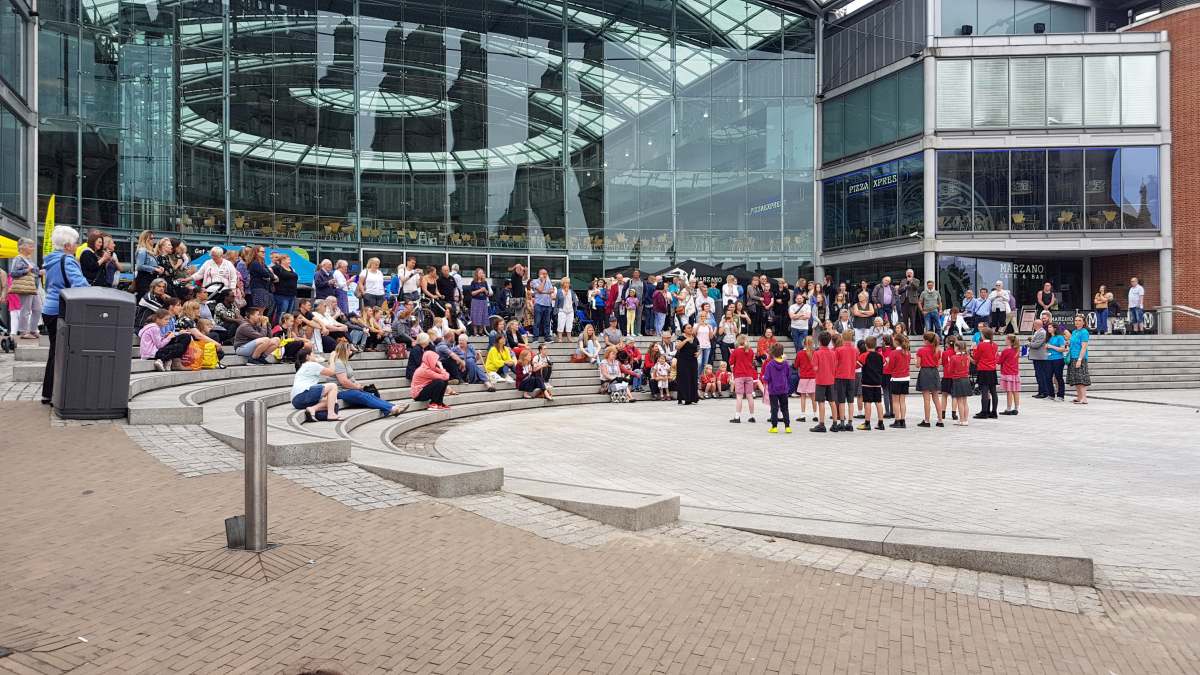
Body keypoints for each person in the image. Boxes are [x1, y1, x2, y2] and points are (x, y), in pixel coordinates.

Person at [39, 226, 90, 405]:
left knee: (55, 352)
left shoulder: (51, 260)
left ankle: (48, 393)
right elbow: (80, 284)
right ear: (68, 245)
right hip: (62, 310)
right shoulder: (67, 260)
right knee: (61, 353)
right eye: (75, 242)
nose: (77, 245)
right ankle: (56, 394)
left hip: (49, 309)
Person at [323, 341, 403, 416]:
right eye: (349, 349)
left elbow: (350, 378)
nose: (351, 351)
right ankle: (392, 408)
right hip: (341, 391)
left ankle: (391, 407)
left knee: (369, 394)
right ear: (345, 351)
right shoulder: (339, 363)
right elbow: (343, 381)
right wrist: (356, 387)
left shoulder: (344, 362)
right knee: (364, 396)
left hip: (347, 389)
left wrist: (357, 384)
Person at [292, 348, 341, 422]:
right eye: (313, 354)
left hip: (296, 401)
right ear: (307, 357)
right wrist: (332, 357)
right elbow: (332, 372)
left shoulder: (304, 366)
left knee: (334, 404)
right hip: (302, 395)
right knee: (333, 386)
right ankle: (330, 414)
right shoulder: (311, 364)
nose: (315, 356)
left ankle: (313, 409)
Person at [7, 238, 41, 340]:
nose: (33, 248)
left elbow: (34, 272)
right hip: (25, 287)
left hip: (32, 287)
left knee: (38, 309)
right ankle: (23, 331)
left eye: (33, 246)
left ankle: (33, 330)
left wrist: (39, 272)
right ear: (22, 247)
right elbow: (13, 273)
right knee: (25, 309)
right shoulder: (18, 258)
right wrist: (27, 270)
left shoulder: (29, 259)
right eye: (30, 246)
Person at [761, 343, 791, 434]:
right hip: (784, 389)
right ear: (782, 352)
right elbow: (788, 375)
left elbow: (766, 378)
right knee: (785, 408)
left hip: (773, 390)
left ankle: (774, 427)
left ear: (772, 353)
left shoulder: (770, 364)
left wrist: (763, 378)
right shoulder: (786, 364)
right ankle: (787, 427)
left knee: (774, 408)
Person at [915, 331, 944, 428]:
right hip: (934, 372)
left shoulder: (921, 350)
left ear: (926, 340)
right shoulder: (938, 350)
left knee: (926, 399)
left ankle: (927, 420)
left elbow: (918, 365)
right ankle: (940, 420)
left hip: (925, 372)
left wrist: (917, 360)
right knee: (936, 398)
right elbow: (938, 363)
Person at [809, 332, 836, 433]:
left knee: (821, 402)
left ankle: (821, 424)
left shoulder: (817, 353)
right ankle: (834, 423)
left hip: (821, 380)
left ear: (819, 341)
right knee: (832, 401)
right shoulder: (833, 353)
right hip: (831, 379)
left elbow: (815, 367)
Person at [857, 336, 885, 431]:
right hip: (878, 382)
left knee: (867, 402)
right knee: (878, 402)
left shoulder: (864, 355)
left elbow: (857, 365)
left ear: (865, 345)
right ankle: (881, 422)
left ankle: (867, 423)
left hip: (867, 382)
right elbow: (885, 364)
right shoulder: (880, 355)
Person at [728, 334, 757, 423]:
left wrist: (731, 354)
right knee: (749, 396)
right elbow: (751, 361)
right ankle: (752, 416)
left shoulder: (736, 351)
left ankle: (737, 416)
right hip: (749, 374)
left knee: (739, 396)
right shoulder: (751, 351)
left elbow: (731, 362)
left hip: (739, 375)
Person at [833, 331, 857, 432]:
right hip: (851, 376)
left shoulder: (838, 350)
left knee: (841, 400)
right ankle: (850, 423)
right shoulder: (855, 350)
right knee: (851, 401)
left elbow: (835, 364)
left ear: (842, 338)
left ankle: (842, 422)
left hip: (840, 376)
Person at [973, 325, 999, 419]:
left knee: (984, 391)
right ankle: (994, 411)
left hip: (983, 369)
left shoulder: (981, 345)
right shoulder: (994, 345)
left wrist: (974, 351)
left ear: (983, 335)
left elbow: (976, 357)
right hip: (992, 370)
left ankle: (984, 412)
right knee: (993, 391)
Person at [945, 339, 972, 426]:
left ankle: (961, 420)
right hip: (966, 379)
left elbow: (950, 370)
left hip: (957, 380)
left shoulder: (953, 357)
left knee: (959, 401)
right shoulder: (967, 357)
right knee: (965, 401)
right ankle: (966, 420)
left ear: (957, 348)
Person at [886, 333, 910, 428]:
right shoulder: (907, 352)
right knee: (902, 401)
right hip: (905, 378)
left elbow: (891, 367)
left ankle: (897, 420)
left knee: (895, 401)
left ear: (896, 342)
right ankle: (903, 420)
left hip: (896, 378)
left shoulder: (893, 353)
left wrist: (887, 362)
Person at [1067, 314, 1091, 404]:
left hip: (1080, 357)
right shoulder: (1074, 332)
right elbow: (1073, 343)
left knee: (1081, 378)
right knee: (1076, 378)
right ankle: (1079, 396)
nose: (1077, 322)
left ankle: (1084, 398)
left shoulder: (1084, 332)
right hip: (1072, 356)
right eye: (1076, 320)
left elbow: (1084, 347)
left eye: (1079, 320)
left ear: (1084, 322)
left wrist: (1080, 359)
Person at [674, 323, 699, 405]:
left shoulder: (695, 338)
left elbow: (698, 347)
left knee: (692, 379)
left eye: (691, 327)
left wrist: (699, 353)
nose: (691, 329)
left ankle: (692, 398)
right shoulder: (680, 338)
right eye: (688, 328)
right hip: (683, 361)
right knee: (684, 379)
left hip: (693, 361)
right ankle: (682, 398)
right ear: (684, 330)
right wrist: (686, 340)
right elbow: (677, 347)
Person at [1026, 318, 1050, 399]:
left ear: (1037, 325)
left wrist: (1028, 344)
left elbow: (1037, 345)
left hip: (1040, 357)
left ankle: (1044, 392)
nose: (1033, 325)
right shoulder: (1038, 332)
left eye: (1034, 324)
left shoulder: (1042, 332)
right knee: (1038, 375)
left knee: (1041, 375)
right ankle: (1040, 391)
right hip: (1037, 357)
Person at [998, 333, 1021, 415]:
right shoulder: (1017, 350)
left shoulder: (1006, 350)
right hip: (1015, 372)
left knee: (1009, 391)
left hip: (1007, 372)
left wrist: (997, 355)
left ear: (1009, 341)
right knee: (1016, 391)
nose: (1005, 340)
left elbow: (999, 361)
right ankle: (1016, 408)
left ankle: (1008, 408)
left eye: (1006, 339)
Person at [529, 268, 555, 339]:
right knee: (537, 322)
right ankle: (536, 337)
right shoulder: (534, 281)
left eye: (546, 274)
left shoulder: (548, 281)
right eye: (543, 274)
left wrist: (543, 292)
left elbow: (552, 290)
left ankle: (547, 337)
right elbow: (540, 289)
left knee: (547, 322)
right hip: (538, 304)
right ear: (539, 274)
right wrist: (543, 282)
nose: (545, 275)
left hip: (547, 304)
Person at [1046, 322, 1067, 401]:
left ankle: (1060, 395)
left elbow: (1062, 349)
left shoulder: (1060, 337)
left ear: (1055, 328)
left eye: (1050, 327)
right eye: (1048, 327)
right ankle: (1051, 394)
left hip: (1058, 359)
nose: (1049, 329)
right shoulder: (1048, 337)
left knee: (1058, 377)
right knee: (1048, 377)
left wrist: (1051, 346)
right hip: (1049, 359)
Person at [898, 269, 922, 335]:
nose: (909, 274)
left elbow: (916, 288)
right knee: (905, 317)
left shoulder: (916, 280)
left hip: (913, 301)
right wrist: (904, 287)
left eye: (910, 273)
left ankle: (913, 331)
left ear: (913, 274)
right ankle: (906, 331)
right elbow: (899, 290)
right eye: (908, 273)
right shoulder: (903, 281)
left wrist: (911, 281)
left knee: (913, 317)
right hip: (904, 301)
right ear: (906, 274)